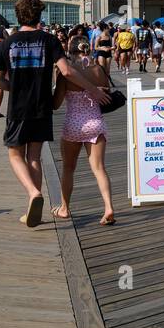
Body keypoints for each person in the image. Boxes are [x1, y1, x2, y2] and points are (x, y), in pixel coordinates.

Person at [0, 0, 110, 227]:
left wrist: (15, 88)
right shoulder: (49, 41)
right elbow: (66, 71)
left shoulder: (9, 43)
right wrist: (93, 90)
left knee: (15, 154)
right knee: (34, 157)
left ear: (18, 16)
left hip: (18, 107)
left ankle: (33, 194)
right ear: (39, 15)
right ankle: (33, 205)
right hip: (42, 106)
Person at [52, 37, 117, 226]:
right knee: (99, 169)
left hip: (74, 124)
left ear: (71, 53)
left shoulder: (67, 73)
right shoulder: (99, 69)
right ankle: (108, 207)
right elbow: (106, 93)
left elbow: (55, 104)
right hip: (96, 123)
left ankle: (64, 208)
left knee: (68, 168)